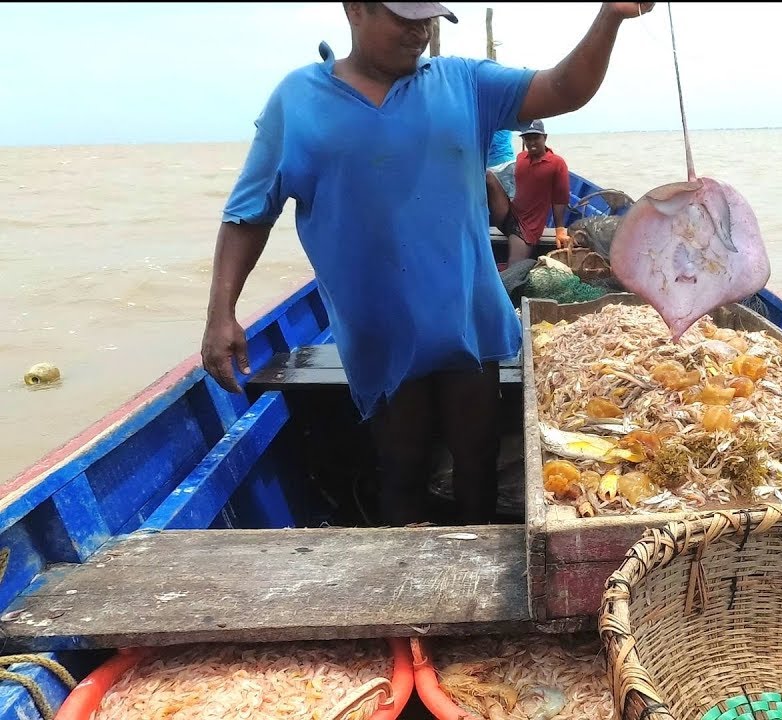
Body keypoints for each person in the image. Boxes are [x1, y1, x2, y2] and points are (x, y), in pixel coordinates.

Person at [200, 1, 655, 527]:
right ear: (354, 9)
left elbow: (563, 88)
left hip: (468, 322)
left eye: (428, 19)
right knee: (401, 465)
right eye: (404, 17)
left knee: (478, 459)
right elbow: (248, 215)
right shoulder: (298, 101)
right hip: (380, 333)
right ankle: (407, 577)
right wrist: (221, 312)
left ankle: (481, 575)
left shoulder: (465, 82)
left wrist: (611, 16)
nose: (420, 32)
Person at [508, 120, 572, 264]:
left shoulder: (557, 163)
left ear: (545, 137)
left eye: (535, 137)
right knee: (489, 178)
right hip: (510, 215)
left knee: (514, 265)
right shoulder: (520, 157)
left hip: (528, 226)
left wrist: (560, 228)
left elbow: (560, 199)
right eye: (527, 138)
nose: (531, 142)